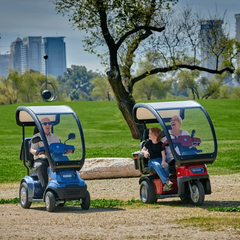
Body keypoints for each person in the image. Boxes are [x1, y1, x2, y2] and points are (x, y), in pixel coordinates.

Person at [30, 117, 60, 188]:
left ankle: (66, 183)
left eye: (49, 123)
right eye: (45, 124)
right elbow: (32, 150)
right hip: (41, 158)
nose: (47, 125)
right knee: (41, 165)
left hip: (54, 158)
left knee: (65, 162)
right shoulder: (36, 137)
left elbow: (59, 147)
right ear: (41, 126)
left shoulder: (55, 137)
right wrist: (38, 151)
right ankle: (45, 187)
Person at [140, 127, 173, 191]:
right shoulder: (148, 143)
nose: (148, 135)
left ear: (155, 135)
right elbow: (142, 151)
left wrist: (164, 161)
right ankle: (166, 181)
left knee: (166, 166)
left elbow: (163, 154)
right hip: (152, 161)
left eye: (149, 133)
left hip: (160, 160)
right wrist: (145, 152)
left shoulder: (160, 144)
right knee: (157, 165)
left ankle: (165, 185)